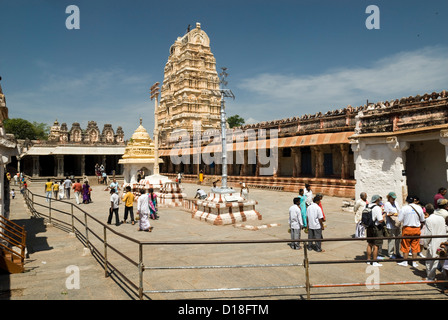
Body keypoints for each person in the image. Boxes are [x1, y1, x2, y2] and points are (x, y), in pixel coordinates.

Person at [397, 195, 426, 267]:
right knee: (415, 246)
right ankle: (414, 263)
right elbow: (422, 219)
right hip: (416, 229)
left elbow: (400, 219)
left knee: (405, 245)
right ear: (414, 200)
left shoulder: (404, 208)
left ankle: (405, 261)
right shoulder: (419, 208)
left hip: (407, 228)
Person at [422, 203, 447, 281]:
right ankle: (446, 278)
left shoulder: (428, 220)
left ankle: (430, 277)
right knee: (443, 261)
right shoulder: (441, 218)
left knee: (430, 261)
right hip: (442, 243)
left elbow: (428, 234)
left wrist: (425, 245)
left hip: (433, 243)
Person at [365, 194, 385, 266]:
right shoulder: (377, 208)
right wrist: (384, 215)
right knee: (376, 245)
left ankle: (368, 260)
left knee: (369, 244)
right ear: (377, 200)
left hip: (369, 227)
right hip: (376, 228)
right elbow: (380, 220)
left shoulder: (367, 206)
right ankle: (374, 261)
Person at [384, 192, 402, 259]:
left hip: (397, 223)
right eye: (392, 198)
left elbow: (399, 211)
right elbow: (386, 213)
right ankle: (390, 253)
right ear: (389, 197)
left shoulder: (396, 203)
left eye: (394, 198)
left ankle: (398, 252)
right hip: (390, 224)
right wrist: (393, 214)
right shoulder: (387, 204)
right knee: (391, 239)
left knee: (398, 239)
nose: (393, 199)